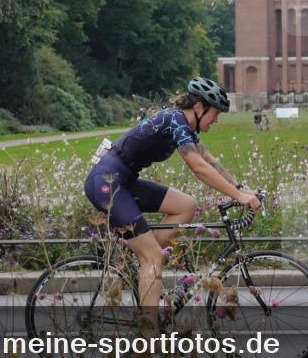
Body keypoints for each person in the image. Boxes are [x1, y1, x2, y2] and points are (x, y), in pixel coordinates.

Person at [83, 77, 260, 331]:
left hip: (124, 181)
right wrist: (237, 197)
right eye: (215, 114)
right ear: (199, 108)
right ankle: (148, 334)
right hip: (106, 183)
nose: (216, 120)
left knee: (186, 205)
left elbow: (209, 160)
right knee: (153, 255)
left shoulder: (187, 128)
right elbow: (197, 167)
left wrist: (240, 188)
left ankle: (144, 265)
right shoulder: (176, 120)